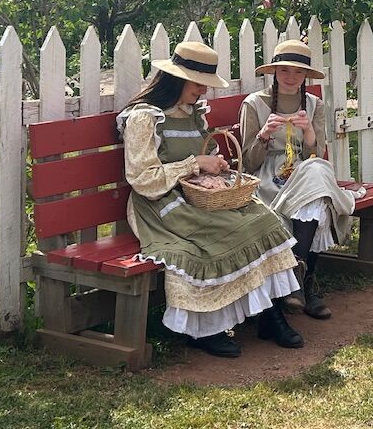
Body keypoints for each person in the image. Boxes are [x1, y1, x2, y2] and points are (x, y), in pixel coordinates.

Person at [117, 40, 306, 357]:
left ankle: (270, 317)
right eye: (198, 84)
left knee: (264, 219)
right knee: (228, 234)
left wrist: (216, 165)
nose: (203, 91)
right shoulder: (144, 117)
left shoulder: (193, 114)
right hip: (162, 204)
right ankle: (205, 329)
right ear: (177, 80)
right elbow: (143, 179)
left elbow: (209, 152)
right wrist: (195, 164)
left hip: (203, 195)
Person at [240, 39, 357, 320]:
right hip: (268, 177)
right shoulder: (254, 104)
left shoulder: (314, 104)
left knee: (316, 177)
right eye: (284, 70)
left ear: (306, 75)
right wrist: (264, 135)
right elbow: (247, 163)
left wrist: (309, 134)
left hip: (305, 171)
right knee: (317, 196)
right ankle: (304, 284)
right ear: (274, 72)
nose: (291, 77)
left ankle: (298, 280)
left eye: (298, 71)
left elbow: (316, 155)